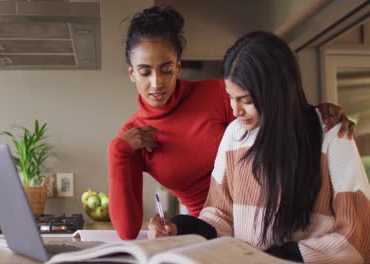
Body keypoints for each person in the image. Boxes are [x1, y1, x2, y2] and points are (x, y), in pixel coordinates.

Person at [109, 5, 355, 240]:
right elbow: (127, 231)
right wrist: (118, 152)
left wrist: (312, 115)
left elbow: (276, 117)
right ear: (132, 73)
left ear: (178, 67)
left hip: (273, 222)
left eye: (166, 69)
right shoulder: (133, 138)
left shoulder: (220, 95)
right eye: (144, 72)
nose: (156, 83)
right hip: (209, 231)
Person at [148, 31, 370, 263]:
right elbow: (219, 216)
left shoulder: (333, 135)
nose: (235, 111)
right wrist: (178, 228)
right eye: (230, 98)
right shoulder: (235, 134)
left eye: (245, 100)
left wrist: (269, 258)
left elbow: (356, 238)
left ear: (277, 93)